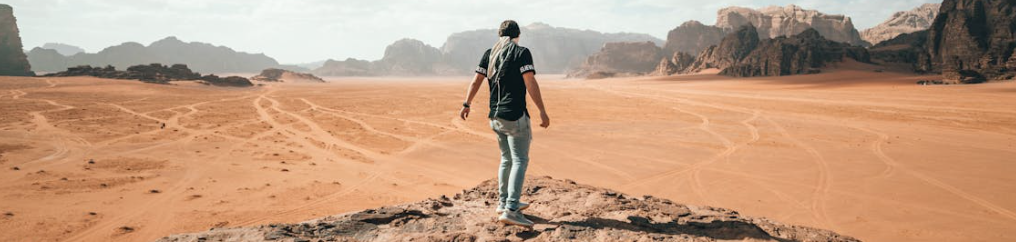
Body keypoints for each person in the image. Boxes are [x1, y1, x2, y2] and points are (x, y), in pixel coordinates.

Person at [458, 20, 550, 228]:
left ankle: (503, 203)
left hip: (495, 117)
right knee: (519, 160)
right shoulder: (521, 52)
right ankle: (511, 209)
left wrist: (467, 104)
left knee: (506, 159)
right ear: (517, 35)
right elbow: (530, 81)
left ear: (499, 35)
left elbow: (476, 81)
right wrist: (542, 111)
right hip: (515, 116)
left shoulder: (490, 54)